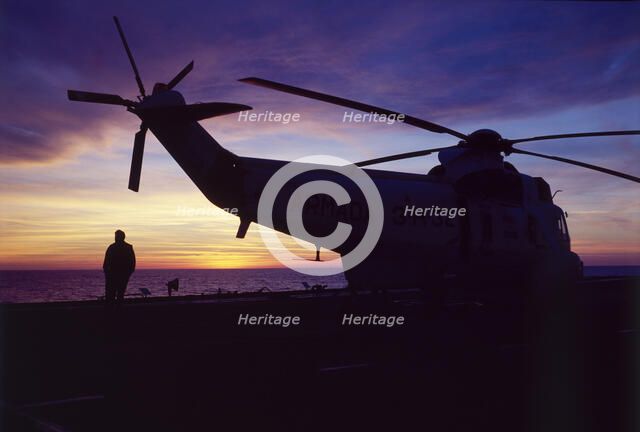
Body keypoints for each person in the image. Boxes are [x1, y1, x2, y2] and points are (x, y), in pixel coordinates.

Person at [103, 229, 136, 305]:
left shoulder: (127, 247)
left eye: (116, 236)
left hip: (121, 276)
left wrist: (127, 274)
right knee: (112, 296)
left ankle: (117, 312)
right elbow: (105, 263)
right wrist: (107, 274)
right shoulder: (112, 247)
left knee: (118, 295)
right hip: (112, 276)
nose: (115, 238)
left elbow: (132, 263)